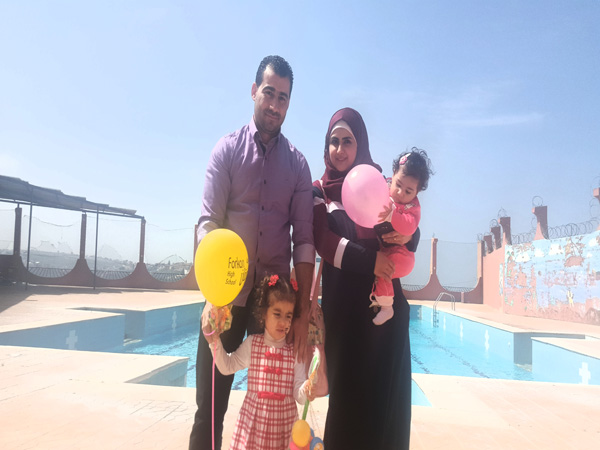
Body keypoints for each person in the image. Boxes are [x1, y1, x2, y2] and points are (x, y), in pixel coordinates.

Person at [189, 55, 315, 450]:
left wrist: (302, 312)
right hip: (226, 299)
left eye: (283, 98)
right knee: (210, 409)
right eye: (269, 93)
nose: (275, 105)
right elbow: (208, 223)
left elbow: (304, 241)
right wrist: (213, 296)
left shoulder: (298, 166)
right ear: (253, 91)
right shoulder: (226, 151)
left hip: (272, 306)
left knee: (277, 407)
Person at [312, 107, 418, 449]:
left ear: (361, 144)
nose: (340, 149)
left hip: (384, 312)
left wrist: (410, 236)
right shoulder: (320, 192)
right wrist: (372, 260)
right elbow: (324, 241)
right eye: (334, 141)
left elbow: (409, 219)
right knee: (347, 407)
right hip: (344, 314)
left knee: (386, 406)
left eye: (348, 141)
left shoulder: (381, 182)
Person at [204, 274, 314, 450]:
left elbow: (299, 395)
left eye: (288, 316)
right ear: (264, 314)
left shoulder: (293, 352)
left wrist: (308, 388)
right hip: (253, 428)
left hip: (283, 429)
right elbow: (228, 367)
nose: (283, 322)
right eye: (277, 314)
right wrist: (214, 343)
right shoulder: (252, 344)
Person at [371, 149, 433, 325]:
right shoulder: (382, 187)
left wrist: (392, 215)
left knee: (384, 270)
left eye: (408, 191)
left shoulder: (412, 208)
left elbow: (409, 226)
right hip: (383, 250)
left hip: (402, 256)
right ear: (393, 174)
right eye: (398, 185)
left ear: (416, 193)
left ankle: (386, 307)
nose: (400, 193)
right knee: (381, 268)